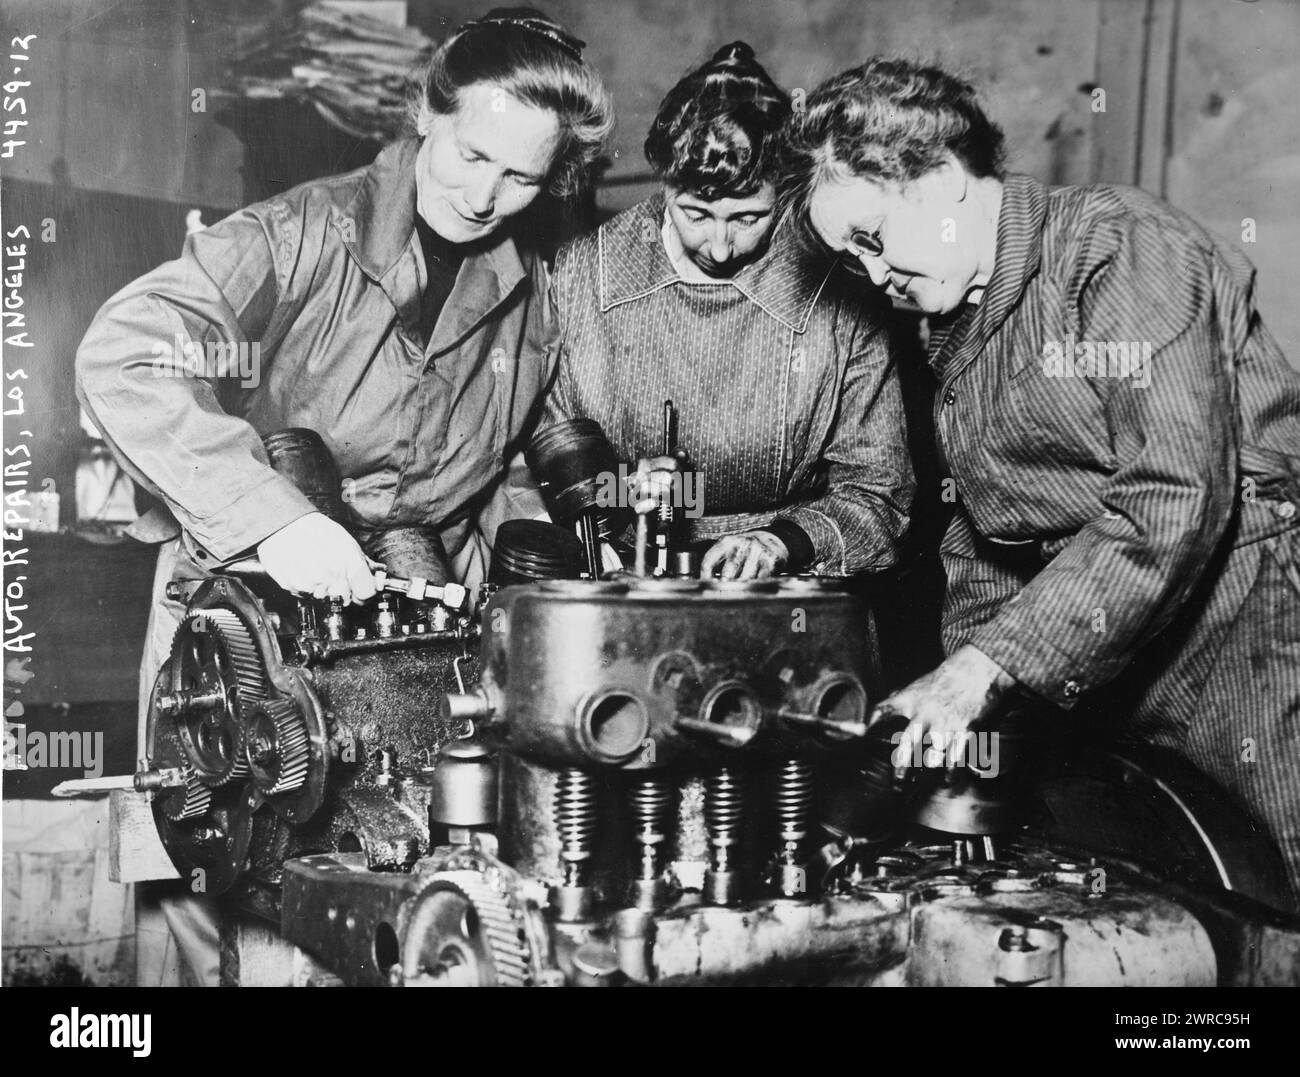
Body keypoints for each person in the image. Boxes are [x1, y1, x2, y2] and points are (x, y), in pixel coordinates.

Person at [74, 7, 613, 983]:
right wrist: (276, 522)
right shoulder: (296, 236)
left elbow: (504, 476)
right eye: (472, 155)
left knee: (366, 920)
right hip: (237, 644)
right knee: (203, 911)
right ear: (424, 114)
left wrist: (537, 582)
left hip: (402, 665)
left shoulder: (528, 301)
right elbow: (125, 352)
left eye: (521, 175)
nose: (487, 195)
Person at [783, 57, 1300, 908]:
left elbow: (1171, 496)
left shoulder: (1118, 246)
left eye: (872, 238)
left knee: (1274, 903)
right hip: (1106, 655)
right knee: (1165, 909)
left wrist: (983, 672)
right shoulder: (952, 321)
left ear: (943, 177)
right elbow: (983, 531)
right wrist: (964, 707)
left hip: (1245, 628)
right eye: (851, 260)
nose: (873, 278)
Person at [540, 43, 912, 580]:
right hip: (626, 575)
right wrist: (621, 495)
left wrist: (780, 543)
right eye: (695, 213)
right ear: (663, 183)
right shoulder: (586, 274)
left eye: (747, 217)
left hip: (790, 586)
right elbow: (555, 450)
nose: (718, 247)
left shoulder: (841, 291)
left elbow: (879, 493)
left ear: (784, 191)